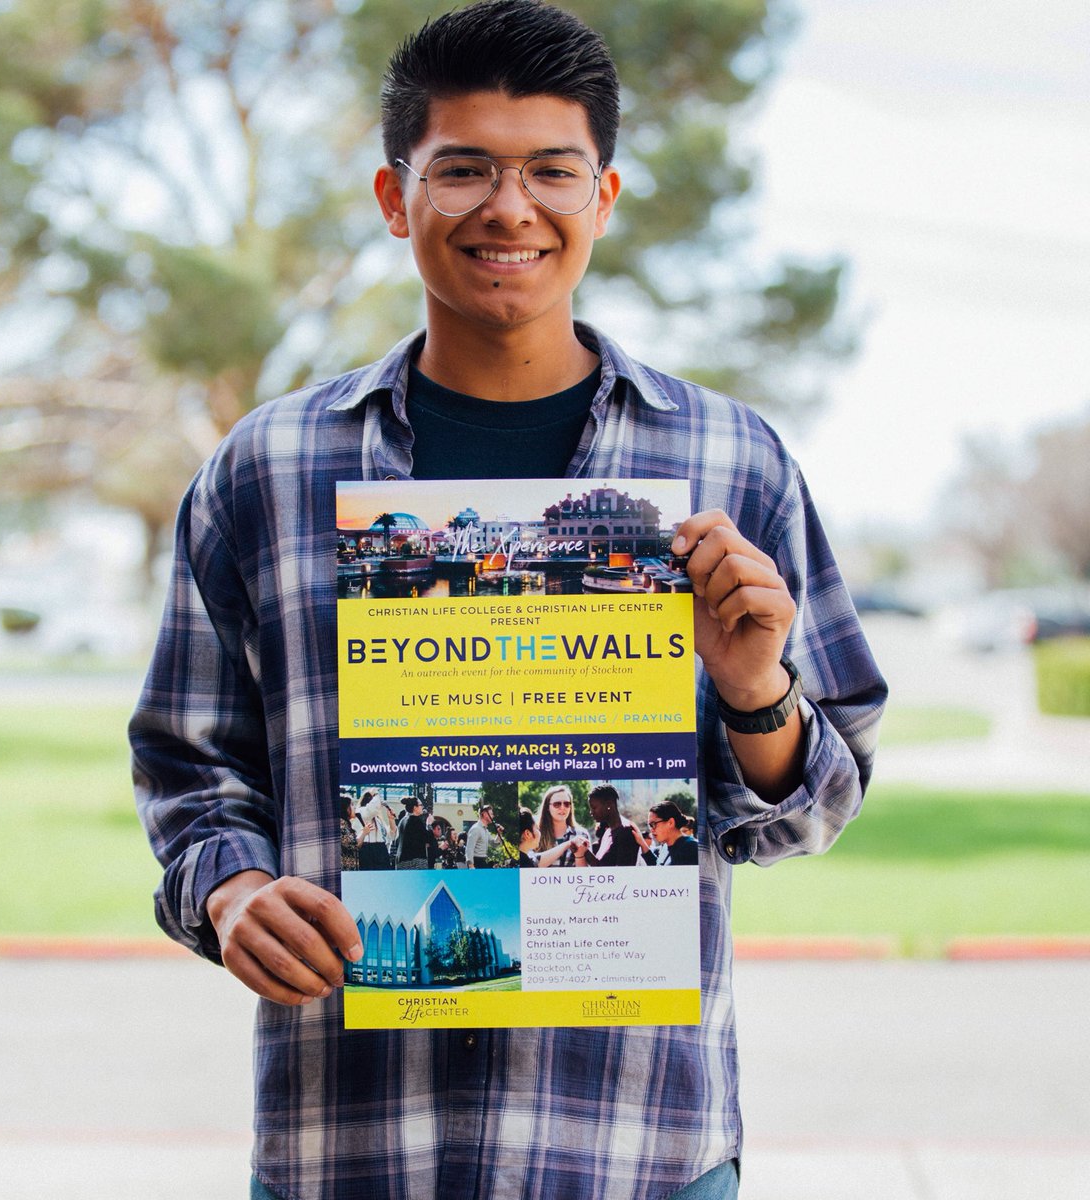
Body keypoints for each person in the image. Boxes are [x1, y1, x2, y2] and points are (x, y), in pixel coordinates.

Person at [129, 3, 887, 1197]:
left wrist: (755, 693)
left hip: (637, 1153)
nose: (509, 208)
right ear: (395, 197)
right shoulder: (265, 470)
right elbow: (187, 762)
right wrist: (229, 889)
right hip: (351, 1148)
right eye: (465, 170)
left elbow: (811, 810)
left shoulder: (735, 463)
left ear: (607, 196)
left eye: (551, 172)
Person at [583, 783, 645, 868]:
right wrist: (583, 851)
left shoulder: (626, 832)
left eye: (594, 807)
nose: (591, 812)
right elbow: (600, 865)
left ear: (609, 804)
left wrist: (585, 852)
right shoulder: (608, 832)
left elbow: (620, 874)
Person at [535, 783, 589, 866]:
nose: (562, 807)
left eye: (567, 804)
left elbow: (587, 873)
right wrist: (568, 844)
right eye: (557, 804)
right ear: (547, 807)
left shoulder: (582, 835)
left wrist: (579, 856)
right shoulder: (535, 835)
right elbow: (532, 865)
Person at [638, 800, 700, 866]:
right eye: (649, 825)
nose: (652, 830)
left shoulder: (692, 849)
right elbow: (658, 869)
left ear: (671, 822)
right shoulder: (666, 846)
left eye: (653, 824)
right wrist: (642, 843)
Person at [395, 795, 434, 869]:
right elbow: (428, 839)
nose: (422, 807)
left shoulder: (402, 821)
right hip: (415, 861)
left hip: (401, 861)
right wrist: (429, 824)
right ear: (415, 808)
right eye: (421, 805)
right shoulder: (416, 821)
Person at [464, 804, 501, 868]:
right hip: (476, 862)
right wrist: (471, 865)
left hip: (482, 861)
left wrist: (499, 833)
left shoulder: (485, 830)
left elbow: (494, 844)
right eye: (491, 814)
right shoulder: (476, 829)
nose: (493, 816)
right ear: (484, 814)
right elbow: (469, 849)